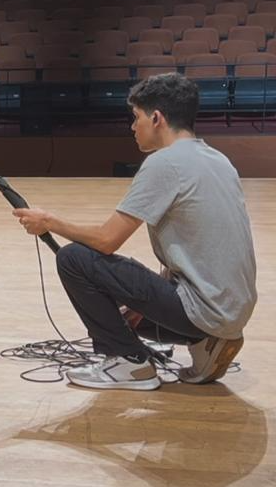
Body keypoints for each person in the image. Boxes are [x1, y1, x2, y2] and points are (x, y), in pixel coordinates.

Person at [13, 74, 257, 391]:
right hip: (232, 311)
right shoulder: (219, 160)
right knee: (132, 316)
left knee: (74, 258)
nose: (132, 127)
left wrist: (49, 222)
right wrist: (150, 303)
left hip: (203, 312)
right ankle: (206, 341)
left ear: (156, 118)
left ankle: (128, 363)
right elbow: (196, 246)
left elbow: (106, 240)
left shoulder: (164, 163)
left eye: (136, 117)